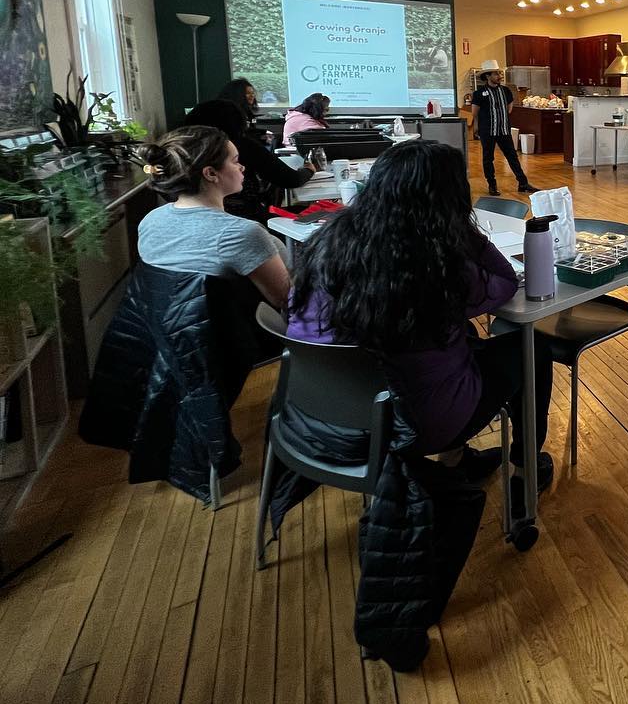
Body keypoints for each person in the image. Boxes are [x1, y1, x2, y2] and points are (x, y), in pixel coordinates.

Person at [287, 139, 553, 505]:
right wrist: (461, 228)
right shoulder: (433, 261)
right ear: (449, 199)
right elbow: (504, 282)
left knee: (462, 340)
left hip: (319, 416)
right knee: (530, 349)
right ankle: (526, 469)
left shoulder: (327, 241)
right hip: (405, 425)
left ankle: (455, 462)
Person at [136, 125, 290, 308]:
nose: (242, 167)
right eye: (235, 161)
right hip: (232, 333)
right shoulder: (241, 234)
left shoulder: (151, 220)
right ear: (210, 173)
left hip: (164, 330)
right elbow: (286, 301)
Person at [184, 99, 315, 222]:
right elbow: (290, 179)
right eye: (236, 162)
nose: (242, 168)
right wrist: (309, 170)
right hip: (247, 217)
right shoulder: (238, 146)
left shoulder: (182, 151)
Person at [470, 60, 535, 197]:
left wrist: (501, 115)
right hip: (487, 130)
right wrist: (476, 126)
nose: (499, 76)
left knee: (512, 156)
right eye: (496, 74)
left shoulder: (505, 90)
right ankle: (492, 185)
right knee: (488, 158)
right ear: (487, 76)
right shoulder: (479, 93)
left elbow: (509, 107)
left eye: (499, 73)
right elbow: (475, 112)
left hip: (504, 130)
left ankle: (523, 183)